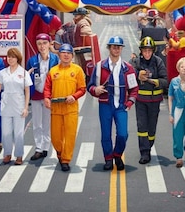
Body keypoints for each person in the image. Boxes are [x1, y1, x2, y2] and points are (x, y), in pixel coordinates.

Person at [87, 36, 138, 171]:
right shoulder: (99, 67)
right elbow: (90, 86)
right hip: (105, 105)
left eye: (118, 47)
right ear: (109, 48)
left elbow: (134, 89)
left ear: (121, 49)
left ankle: (117, 154)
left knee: (123, 134)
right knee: (105, 134)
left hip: (121, 106)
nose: (116, 49)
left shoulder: (128, 68)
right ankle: (108, 159)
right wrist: (95, 90)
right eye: (114, 47)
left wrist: (129, 103)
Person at [43, 43, 86, 172]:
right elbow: (47, 88)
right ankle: (60, 153)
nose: (66, 55)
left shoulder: (77, 70)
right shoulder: (53, 71)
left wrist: (74, 96)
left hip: (70, 108)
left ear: (72, 56)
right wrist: (46, 98)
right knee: (56, 137)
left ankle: (66, 160)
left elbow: (82, 89)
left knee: (70, 135)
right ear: (59, 55)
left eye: (68, 53)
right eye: (63, 53)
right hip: (56, 108)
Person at [0, 48, 32, 165]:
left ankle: (19, 155)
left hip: (19, 105)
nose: (10, 59)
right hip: (6, 105)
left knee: (18, 133)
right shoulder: (3, 73)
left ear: (17, 58)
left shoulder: (23, 73)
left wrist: (26, 107)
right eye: (9, 57)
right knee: (6, 132)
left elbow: (27, 91)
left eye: (13, 57)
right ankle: (7, 154)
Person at [133, 36, 168, 164]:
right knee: (142, 126)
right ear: (141, 51)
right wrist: (138, 76)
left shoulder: (158, 62)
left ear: (153, 51)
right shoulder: (136, 62)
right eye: (144, 51)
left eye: (149, 51)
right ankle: (144, 152)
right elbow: (128, 77)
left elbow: (165, 81)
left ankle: (149, 144)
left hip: (154, 101)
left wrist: (153, 81)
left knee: (151, 128)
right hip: (141, 101)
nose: (147, 53)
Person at [27, 33, 60, 161]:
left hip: (49, 96)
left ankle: (45, 147)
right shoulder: (32, 60)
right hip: (36, 95)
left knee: (47, 122)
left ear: (49, 44)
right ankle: (38, 148)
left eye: (44, 43)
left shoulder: (55, 59)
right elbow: (27, 78)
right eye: (39, 44)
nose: (42, 46)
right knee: (36, 123)